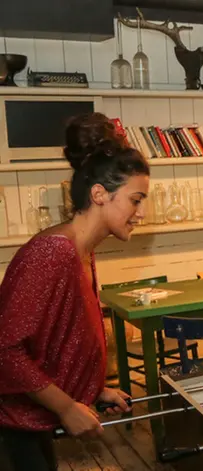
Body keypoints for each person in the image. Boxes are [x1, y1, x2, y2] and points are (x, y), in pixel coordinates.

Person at [0, 112, 150, 471]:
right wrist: (67, 407)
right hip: (9, 431)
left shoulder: (82, 251)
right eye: (135, 200)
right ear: (100, 194)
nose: (141, 213)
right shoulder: (52, 252)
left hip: (30, 423)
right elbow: (5, 349)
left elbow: (57, 341)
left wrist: (91, 390)